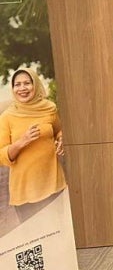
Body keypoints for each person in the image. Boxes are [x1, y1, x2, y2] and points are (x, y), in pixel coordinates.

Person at [0, 68, 67, 206]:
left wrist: (61, 139)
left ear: (35, 84)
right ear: (13, 88)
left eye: (27, 83)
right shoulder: (7, 117)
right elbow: (2, 157)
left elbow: (58, 130)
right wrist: (22, 142)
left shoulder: (49, 108)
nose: (22, 88)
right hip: (25, 193)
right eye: (17, 84)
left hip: (54, 185)